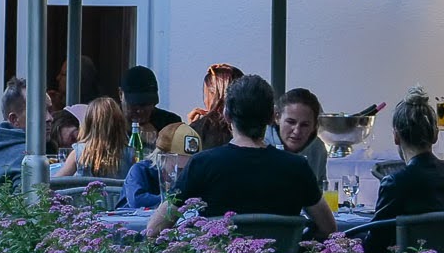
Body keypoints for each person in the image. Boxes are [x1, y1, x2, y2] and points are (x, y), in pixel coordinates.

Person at [143, 74, 334, 241]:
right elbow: (328, 228)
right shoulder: (297, 168)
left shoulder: (203, 164)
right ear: (271, 118)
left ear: (226, 115)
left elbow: (154, 229)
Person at [372, 89, 444, 225]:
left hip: (411, 247)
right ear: (435, 135)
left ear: (396, 137)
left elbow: (376, 242)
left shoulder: (394, 183)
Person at [56, 98, 130, 180]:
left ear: (87, 124)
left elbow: (56, 182)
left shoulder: (79, 153)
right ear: (120, 125)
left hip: (86, 193)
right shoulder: (131, 154)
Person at [272, 87, 329, 187]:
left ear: (315, 126)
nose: (297, 131)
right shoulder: (260, 146)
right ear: (277, 118)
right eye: (290, 122)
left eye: (305, 125)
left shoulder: (318, 149)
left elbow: (321, 192)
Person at [190, 63, 245, 150]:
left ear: (214, 95)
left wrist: (191, 131)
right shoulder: (252, 127)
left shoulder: (198, 130)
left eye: (206, 95)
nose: (205, 101)